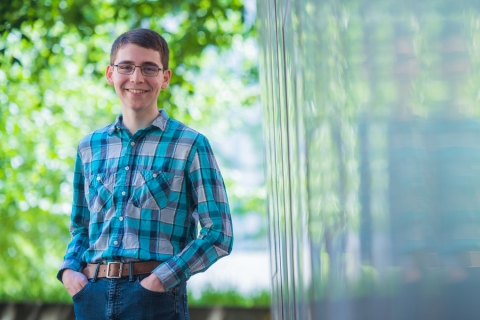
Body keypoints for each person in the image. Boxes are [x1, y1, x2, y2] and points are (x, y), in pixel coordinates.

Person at [57, 28, 234, 320]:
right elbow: (81, 227)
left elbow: (219, 234)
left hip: (155, 299)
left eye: (149, 68)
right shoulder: (89, 146)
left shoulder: (190, 145)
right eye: (126, 67)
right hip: (91, 296)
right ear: (110, 74)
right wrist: (69, 272)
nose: (136, 78)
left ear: (165, 78)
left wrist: (159, 280)